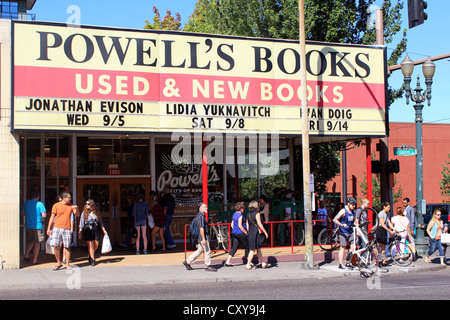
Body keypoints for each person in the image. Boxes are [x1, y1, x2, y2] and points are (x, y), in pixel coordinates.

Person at [47, 191, 77, 270]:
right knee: (56, 246)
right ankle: (58, 262)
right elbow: (52, 217)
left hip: (67, 228)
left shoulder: (71, 206)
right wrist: (49, 228)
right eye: (69, 197)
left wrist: (76, 208)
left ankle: (67, 264)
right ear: (64, 198)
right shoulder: (56, 205)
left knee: (67, 246)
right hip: (57, 227)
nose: (70, 199)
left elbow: (77, 215)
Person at [183, 202, 217, 272]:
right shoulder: (201, 216)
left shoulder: (199, 216)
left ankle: (188, 261)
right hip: (202, 237)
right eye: (205, 207)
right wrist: (204, 239)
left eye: (206, 207)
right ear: (200, 209)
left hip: (199, 237)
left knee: (200, 250)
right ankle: (208, 265)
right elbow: (201, 228)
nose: (206, 208)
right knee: (207, 250)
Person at [78, 199, 107, 266]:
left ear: (92, 205)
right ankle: (92, 259)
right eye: (86, 204)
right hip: (88, 228)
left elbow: (100, 222)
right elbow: (81, 223)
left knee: (96, 243)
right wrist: (80, 232)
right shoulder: (84, 213)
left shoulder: (96, 212)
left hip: (95, 228)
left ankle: (91, 253)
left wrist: (104, 230)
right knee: (90, 244)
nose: (86, 205)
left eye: (88, 204)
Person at [22, 191, 47, 265]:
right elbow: (44, 215)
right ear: (38, 197)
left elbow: (23, 213)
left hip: (28, 225)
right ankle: (35, 259)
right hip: (37, 226)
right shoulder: (40, 204)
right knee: (37, 242)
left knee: (31, 241)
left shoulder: (26, 203)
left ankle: (26, 255)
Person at [333, 197, 357, 269]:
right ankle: (340, 264)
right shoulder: (343, 211)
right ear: (348, 204)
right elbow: (335, 219)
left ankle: (348, 262)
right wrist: (341, 224)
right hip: (343, 232)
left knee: (353, 247)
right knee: (343, 248)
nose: (354, 206)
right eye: (352, 205)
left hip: (351, 231)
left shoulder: (353, 212)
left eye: (354, 205)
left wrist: (357, 225)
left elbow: (354, 221)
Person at [246, 200, 271, 270]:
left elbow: (247, 224)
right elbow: (259, 224)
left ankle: (263, 263)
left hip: (251, 232)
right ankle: (248, 264)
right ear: (256, 206)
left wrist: (248, 232)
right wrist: (265, 232)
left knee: (258, 248)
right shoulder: (257, 213)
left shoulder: (248, 214)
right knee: (253, 250)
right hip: (256, 232)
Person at [224, 202, 249, 266]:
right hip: (241, 233)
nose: (243, 209)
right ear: (240, 208)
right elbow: (240, 226)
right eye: (243, 208)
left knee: (234, 247)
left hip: (235, 233)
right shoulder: (240, 215)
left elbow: (232, 224)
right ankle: (249, 261)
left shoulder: (234, 214)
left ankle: (228, 261)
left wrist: (235, 230)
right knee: (247, 246)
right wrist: (245, 232)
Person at [376, 202, 394, 266]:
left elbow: (389, 222)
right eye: (388, 207)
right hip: (380, 229)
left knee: (384, 245)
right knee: (379, 244)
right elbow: (383, 224)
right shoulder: (381, 214)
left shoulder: (388, 214)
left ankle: (383, 261)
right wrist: (389, 230)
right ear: (384, 207)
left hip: (384, 230)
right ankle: (377, 260)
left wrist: (393, 229)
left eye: (389, 207)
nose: (389, 209)